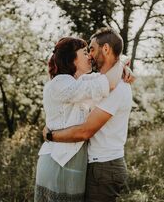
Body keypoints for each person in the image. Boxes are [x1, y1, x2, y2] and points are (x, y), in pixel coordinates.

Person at [35, 36, 132, 202]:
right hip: (59, 160)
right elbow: (107, 83)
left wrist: (121, 63)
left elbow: (106, 79)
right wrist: (121, 64)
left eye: (90, 51)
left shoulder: (80, 81)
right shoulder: (61, 83)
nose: (89, 56)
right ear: (72, 58)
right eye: (85, 52)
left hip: (74, 162)